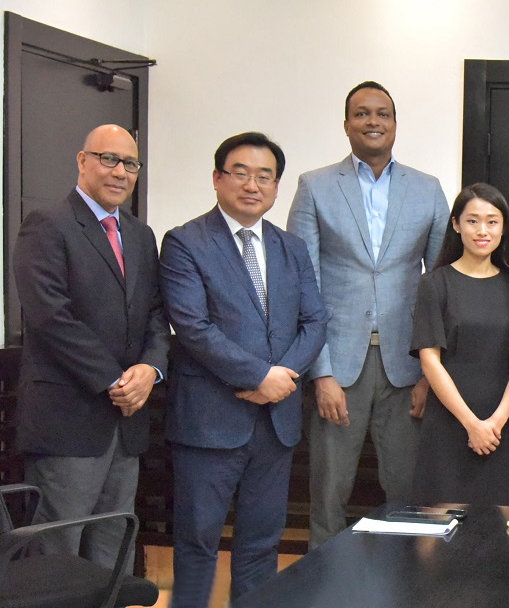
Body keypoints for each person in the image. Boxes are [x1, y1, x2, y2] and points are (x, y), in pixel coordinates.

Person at [160, 132, 329, 607]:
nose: (252, 185)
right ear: (217, 179)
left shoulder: (291, 248)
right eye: (240, 172)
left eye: (265, 176)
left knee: (261, 544)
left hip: (275, 425)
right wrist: (259, 376)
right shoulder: (185, 242)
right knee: (197, 544)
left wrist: (283, 378)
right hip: (209, 422)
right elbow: (192, 327)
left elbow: (316, 320)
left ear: (276, 187)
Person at [288, 81, 449, 547]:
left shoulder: (428, 188)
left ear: (395, 124)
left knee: (406, 492)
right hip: (337, 367)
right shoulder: (314, 186)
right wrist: (319, 373)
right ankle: (326, 590)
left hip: (407, 364)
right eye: (362, 114)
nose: (373, 122)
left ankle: (405, 583)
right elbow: (302, 283)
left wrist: (429, 373)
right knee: (328, 492)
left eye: (382, 114)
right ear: (346, 125)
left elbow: (440, 285)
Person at [13, 124, 170, 572]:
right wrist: (115, 379)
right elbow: (50, 317)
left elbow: (157, 316)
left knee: (113, 543)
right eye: (109, 159)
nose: (120, 171)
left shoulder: (140, 236)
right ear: (82, 161)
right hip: (69, 421)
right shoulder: (47, 225)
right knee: (58, 548)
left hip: (127, 423)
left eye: (131, 163)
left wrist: (149, 370)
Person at [411, 183, 509, 505]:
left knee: (501, 533)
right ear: (455, 224)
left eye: (492, 221)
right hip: (449, 422)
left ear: (503, 228)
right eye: (472, 220)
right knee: (438, 537)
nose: (482, 230)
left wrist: (495, 422)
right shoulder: (434, 284)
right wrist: (471, 424)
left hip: (501, 424)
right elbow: (430, 361)